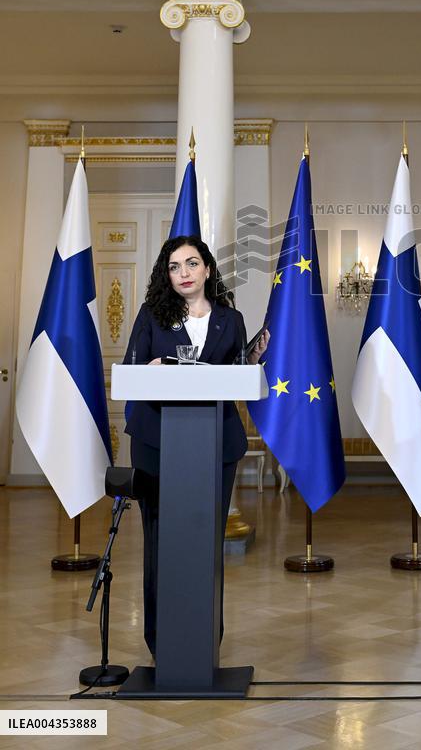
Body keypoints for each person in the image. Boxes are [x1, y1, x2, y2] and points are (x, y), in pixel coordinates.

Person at [123, 235, 269, 656]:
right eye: (174, 266)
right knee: (159, 540)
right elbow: (132, 370)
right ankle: (160, 641)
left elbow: (234, 375)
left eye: (191, 264)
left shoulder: (231, 318)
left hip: (215, 443)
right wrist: (150, 368)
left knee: (206, 540)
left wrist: (252, 361)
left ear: (207, 269)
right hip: (156, 442)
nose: (183, 273)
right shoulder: (153, 315)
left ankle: (204, 640)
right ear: (166, 274)